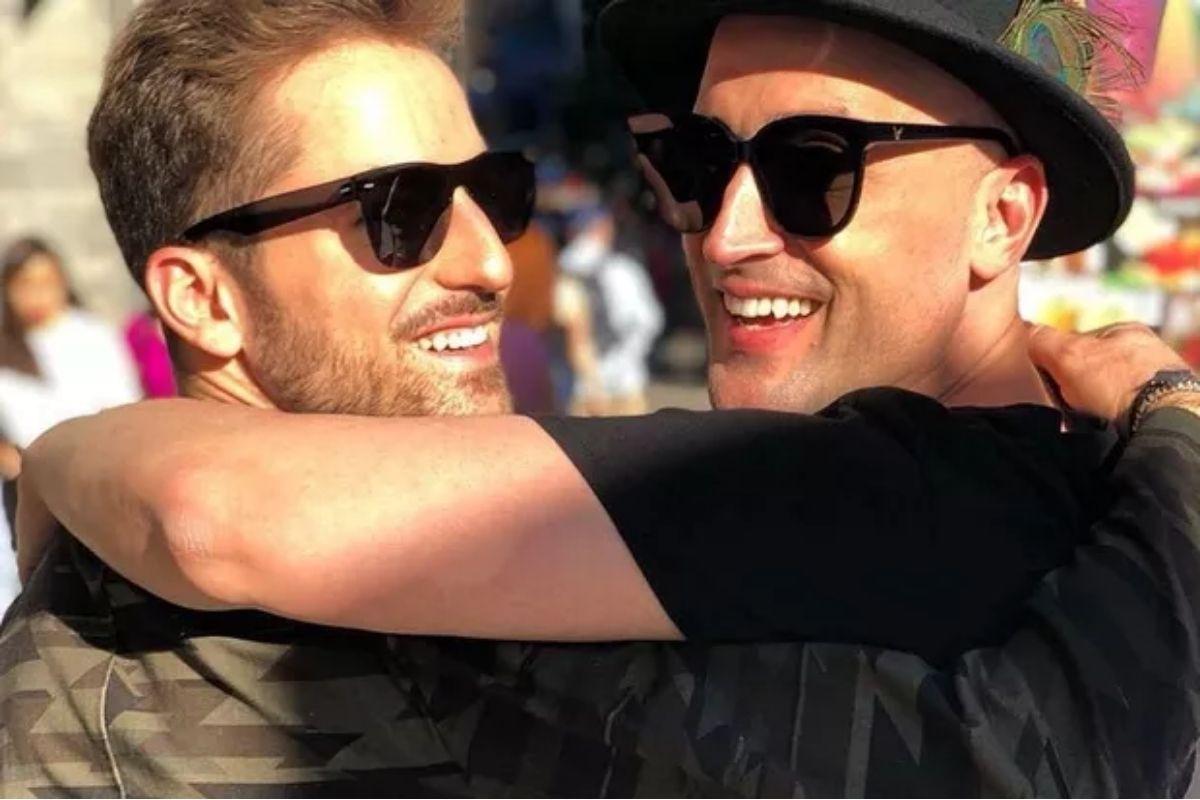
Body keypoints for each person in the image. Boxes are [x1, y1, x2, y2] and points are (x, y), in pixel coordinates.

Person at [7, 0, 1200, 797]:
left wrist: (71, 454)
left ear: (1006, 214)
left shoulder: (941, 500)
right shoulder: (144, 647)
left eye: (813, 169)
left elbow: (214, 510)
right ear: (199, 296)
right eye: (697, 164)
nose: (724, 233)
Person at [0, 237, 140, 614]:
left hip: (88, 479)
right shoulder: (7, 347)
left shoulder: (92, 338)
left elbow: (122, 408)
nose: (37, 294)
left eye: (46, 282)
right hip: (25, 493)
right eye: (24, 284)